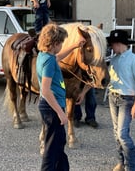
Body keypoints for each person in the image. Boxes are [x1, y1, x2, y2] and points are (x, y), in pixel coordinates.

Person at [36, 23, 86, 171]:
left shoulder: (44, 55)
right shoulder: (49, 61)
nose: (61, 46)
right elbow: (45, 90)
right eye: (61, 43)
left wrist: (75, 46)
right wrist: (60, 112)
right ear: (55, 43)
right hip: (52, 107)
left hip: (49, 106)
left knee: (59, 143)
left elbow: (57, 56)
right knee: (52, 148)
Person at [106, 29, 135, 171]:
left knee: (122, 134)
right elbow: (110, 80)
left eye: (112, 44)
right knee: (116, 132)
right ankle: (121, 163)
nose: (111, 47)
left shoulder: (134, 59)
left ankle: (132, 167)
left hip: (127, 100)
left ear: (119, 43)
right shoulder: (114, 59)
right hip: (113, 96)